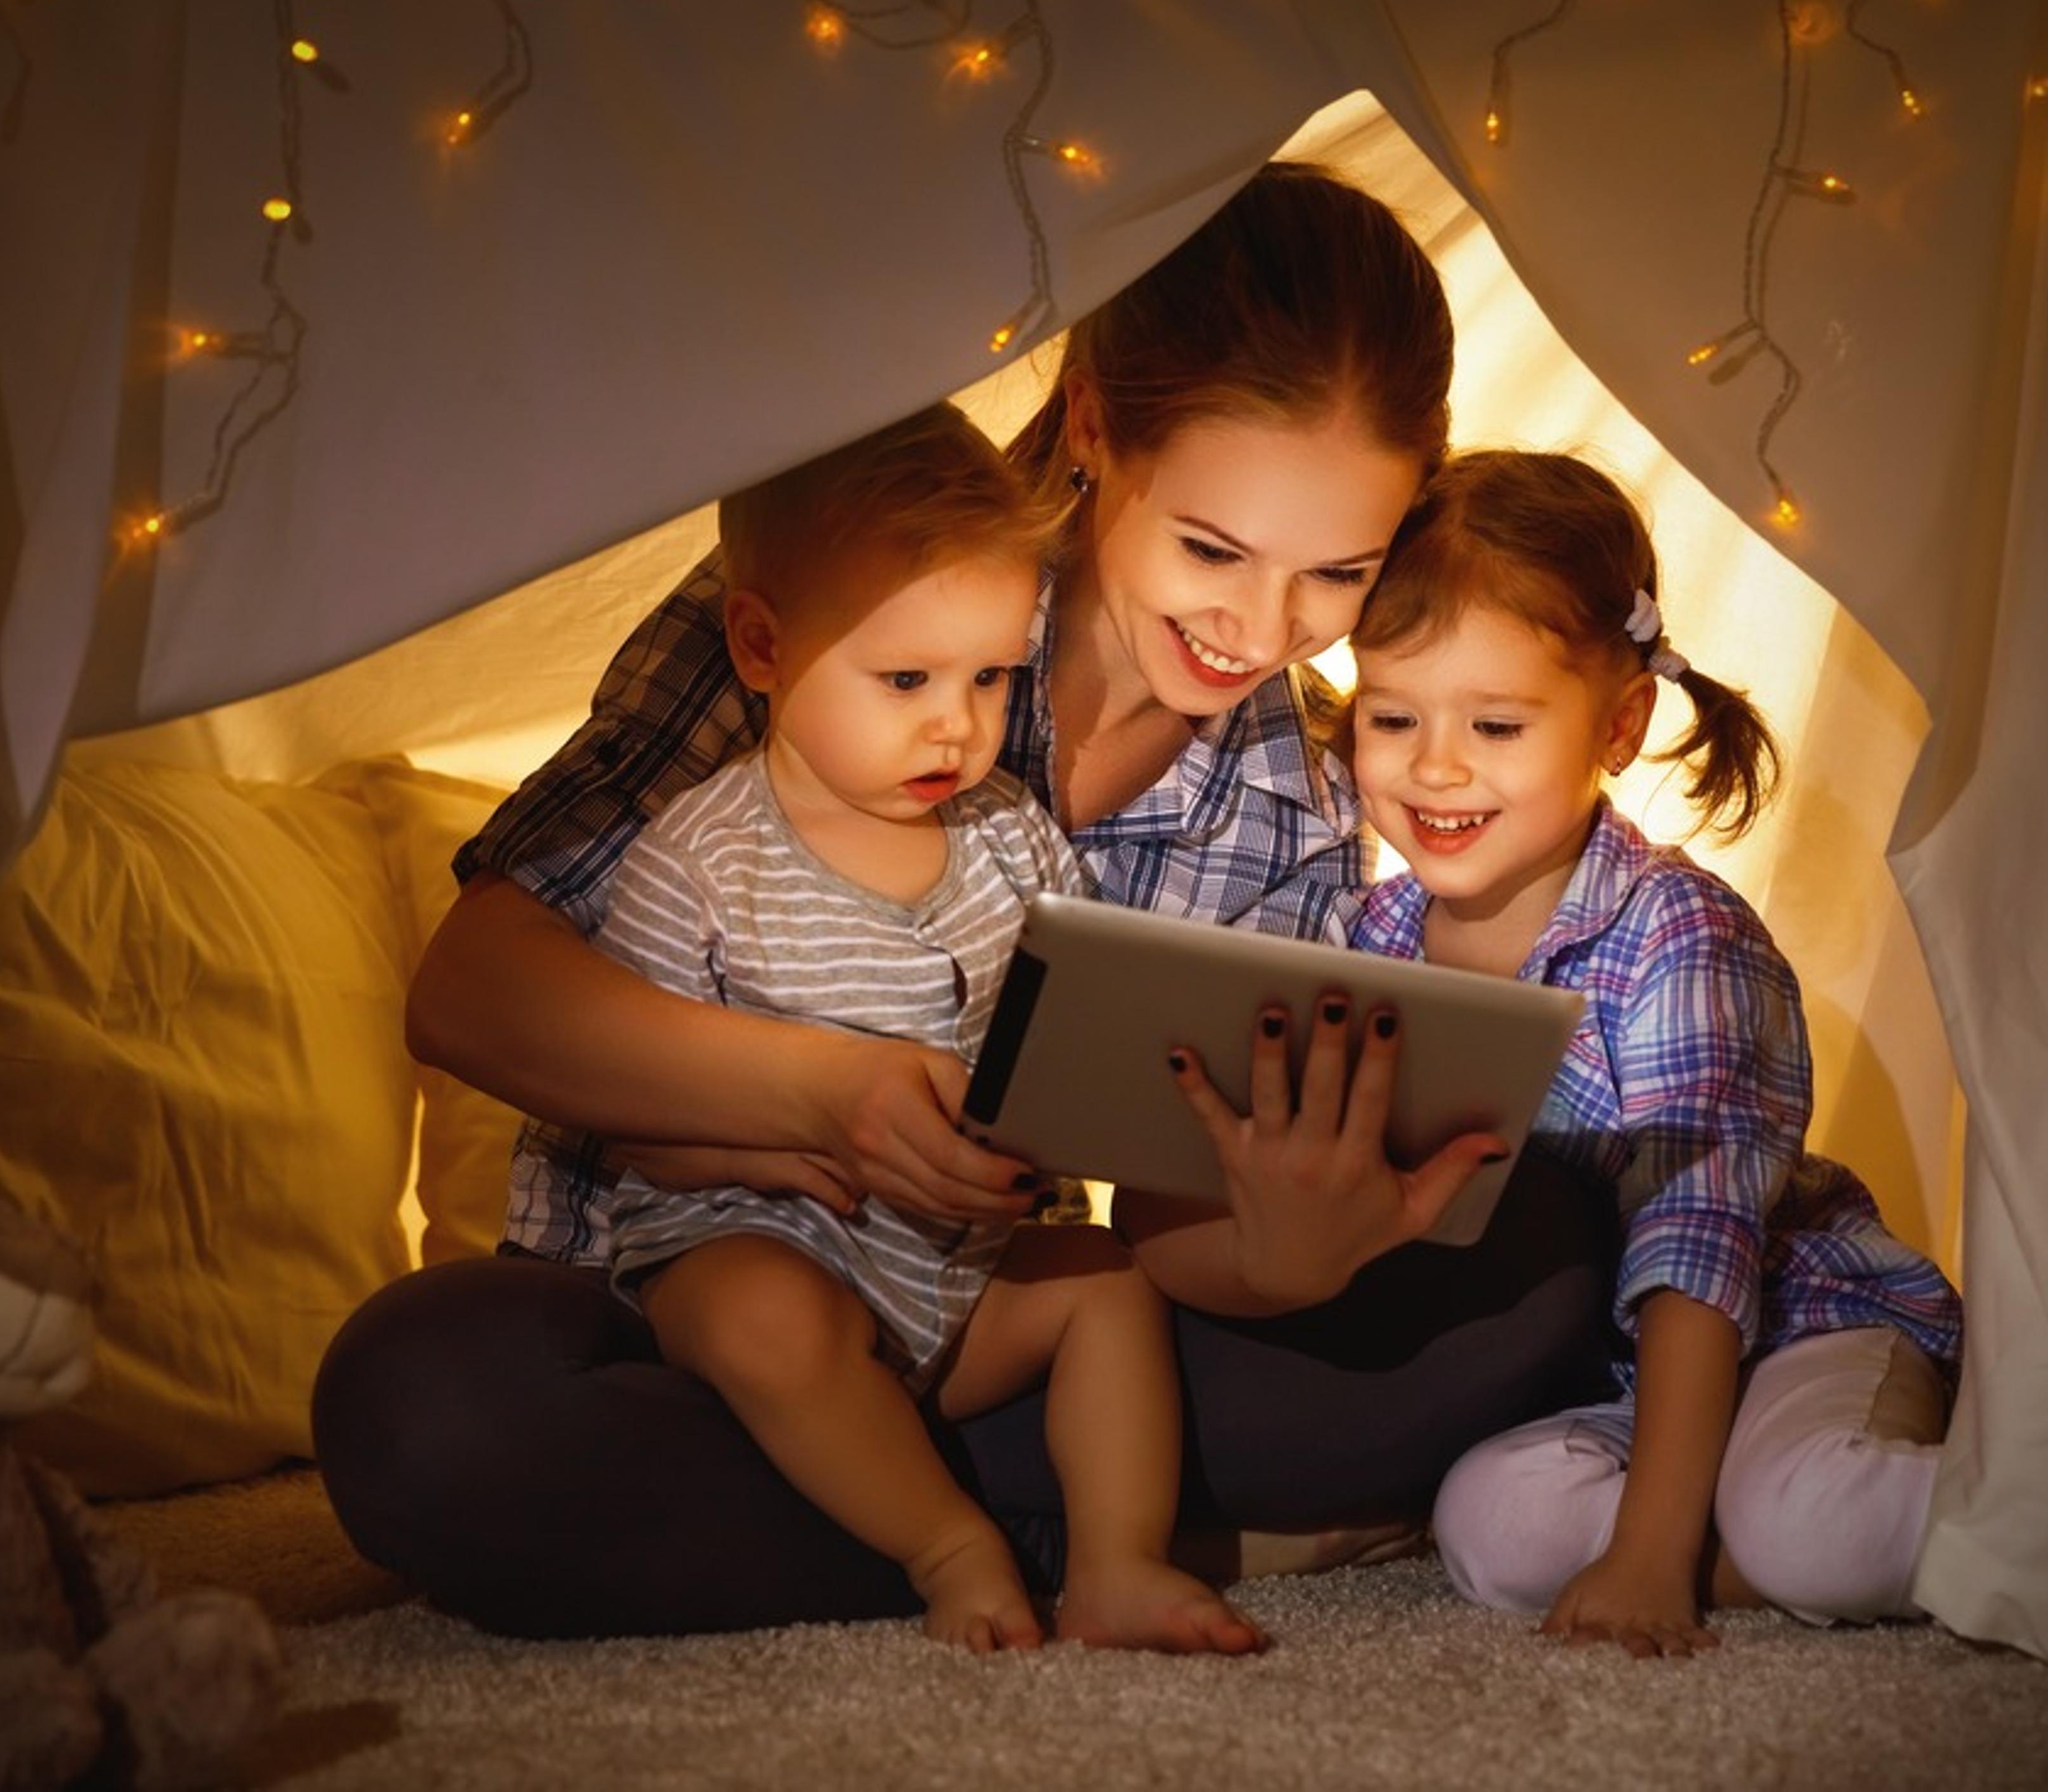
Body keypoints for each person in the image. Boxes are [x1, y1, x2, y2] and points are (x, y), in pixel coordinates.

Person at [312, 164, 1617, 1639]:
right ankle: (1033, 1525)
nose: (1262, 631)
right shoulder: (845, 583)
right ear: (1094, 430)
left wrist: (1283, 1250)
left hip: (999, 1322)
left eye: (1337, 576)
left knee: (1545, 1257)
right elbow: (473, 987)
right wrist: (823, 1095)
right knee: (423, 1405)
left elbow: (1169, 1223)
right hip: (689, 1314)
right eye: (1210, 550)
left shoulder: (1298, 796)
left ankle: (939, 1521)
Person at [1174, 449, 1959, 1657]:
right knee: (1488, 1527)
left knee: (1809, 1526)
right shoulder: (1365, 941)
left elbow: (1698, 1258)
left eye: (1495, 723)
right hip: (1612, 1384)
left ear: (1620, 723)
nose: (1436, 767)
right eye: (1393, 717)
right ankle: (1713, 1531)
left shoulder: (1677, 935)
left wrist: (1649, 1556)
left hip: (1795, 1327)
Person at [596, 403, 1259, 1654]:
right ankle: (949, 1544)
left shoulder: (1009, 838)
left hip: (954, 1279)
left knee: (1110, 1290)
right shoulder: (698, 862)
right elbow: (637, 1127)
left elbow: (1074, 1039)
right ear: (760, 645)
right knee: (756, 1315)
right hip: (773, 1258)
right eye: (906, 679)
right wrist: (777, 1149)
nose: (958, 723)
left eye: (992, 676)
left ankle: (1119, 1560)